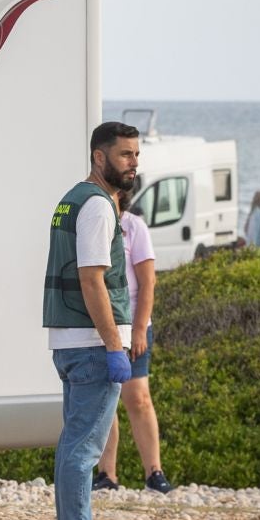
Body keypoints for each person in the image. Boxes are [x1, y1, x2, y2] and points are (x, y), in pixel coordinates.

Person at [42, 121, 140, 520]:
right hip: (91, 343)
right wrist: (114, 345)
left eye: (136, 155)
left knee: (73, 444)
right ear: (99, 157)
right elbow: (91, 279)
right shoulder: (98, 206)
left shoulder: (71, 199)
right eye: (124, 155)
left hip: (69, 339)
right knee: (83, 449)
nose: (133, 163)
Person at [95, 180, 173, 494]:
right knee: (104, 402)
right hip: (101, 327)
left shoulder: (134, 227)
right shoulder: (94, 224)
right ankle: (106, 474)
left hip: (132, 327)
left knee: (138, 398)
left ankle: (154, 472)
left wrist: (140, 329)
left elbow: (147, 283)